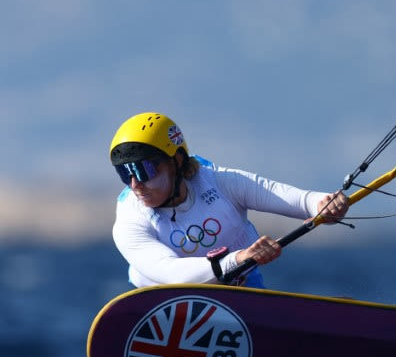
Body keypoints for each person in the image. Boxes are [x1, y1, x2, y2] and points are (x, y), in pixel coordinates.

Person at [110, 112, 348, 288]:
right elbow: (170, 273)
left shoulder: (219, 181)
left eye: (144, 171)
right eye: (125, 173)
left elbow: (296, 199)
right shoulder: (129, 220)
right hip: (166, 305)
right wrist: (238, 259)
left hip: (241, 289)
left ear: (177, 161)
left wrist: (323, 203)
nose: (135, 185)